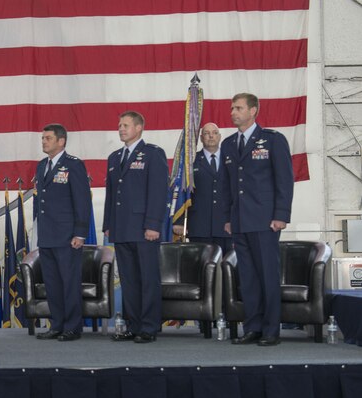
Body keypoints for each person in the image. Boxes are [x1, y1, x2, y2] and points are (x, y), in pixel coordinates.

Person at [222, 93, 294, 346]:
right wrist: (227, 218)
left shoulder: (273, 140)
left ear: (253, 111)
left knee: (267, 276)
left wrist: (281, 215)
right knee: (249, 278)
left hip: (265, 221)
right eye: (232, 108)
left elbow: (284, 179)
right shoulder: (229, 144)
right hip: (240, 221)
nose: (233, 112)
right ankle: (252, 327)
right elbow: (226, 186)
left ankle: (271, 330)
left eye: (238, 108)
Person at [103, 111, 169, 343]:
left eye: (126, 125)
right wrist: (108, 224)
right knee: (129, 280)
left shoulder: (152, 154)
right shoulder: (114, 158)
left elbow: (159, 192)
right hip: (122, 228)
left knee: (147, 279)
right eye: (119, 125)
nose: (121, 129)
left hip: (144, 228)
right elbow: (112, 194)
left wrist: (153, 224)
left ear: (139, 128)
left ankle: (149, 327)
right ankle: (133, 325)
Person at [33, 124, 92, 341]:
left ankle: (72, 326)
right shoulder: (42, 166)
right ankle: (57, 324)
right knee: (52, 284)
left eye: (48, 138)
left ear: (61, 141)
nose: (44, 141)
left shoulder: (73, 165)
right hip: (47, 235)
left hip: (67, 236)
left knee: (69, 283)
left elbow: (82, 201)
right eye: (42, 138)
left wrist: (80, 233)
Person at [177, 122, 232, 254]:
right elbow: (181, 192)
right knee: (200, 269)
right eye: (207, 133)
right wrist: (178, 221)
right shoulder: (191, 161)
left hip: (226, 225)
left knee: (228, 269)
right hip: (199, 225)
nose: (211, 136)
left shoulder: (231, 160)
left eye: (214, 133)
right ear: (201, 138)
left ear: (219, 137)